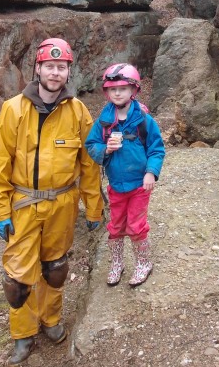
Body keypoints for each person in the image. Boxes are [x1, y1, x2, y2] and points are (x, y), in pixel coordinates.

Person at [0, 37, 103, 365]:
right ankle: (22, 335)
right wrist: (0, 210)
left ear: (68, 72)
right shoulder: (13, 109)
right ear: (38, 69)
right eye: (49, 66)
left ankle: (50, 321)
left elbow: (89, 165)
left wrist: (94, 207)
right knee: (19, 278)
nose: (55, 73)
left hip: (62, 205)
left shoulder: (78, 111)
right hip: (23, 204)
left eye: (61, 67)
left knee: (54, 269)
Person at [84, 63, 165, 287]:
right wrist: (105, 150)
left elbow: (157, 149)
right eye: (112, 89)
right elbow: (91, 144)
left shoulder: (144, 120)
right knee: (116, 226)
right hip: (116, 185)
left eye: (122, 88)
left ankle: (143, 262)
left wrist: (151, 173)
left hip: (139, 185)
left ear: (134, 90)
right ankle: (117, 262)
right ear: (106, 92)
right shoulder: (104, 121)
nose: (117, 93)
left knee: (136, 226)